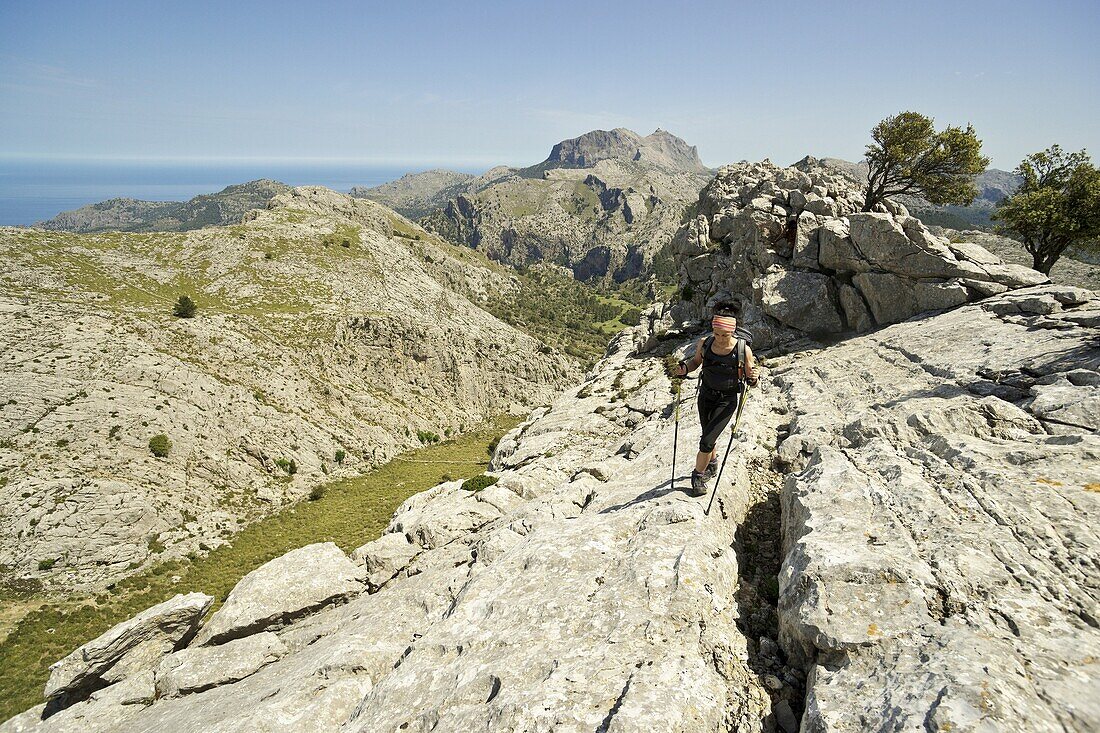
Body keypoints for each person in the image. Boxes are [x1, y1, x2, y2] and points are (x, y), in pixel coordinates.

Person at [672, 303, 758, 497]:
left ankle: (698, 475)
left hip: (727, 401)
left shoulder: (743, 350)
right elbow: (696, 362)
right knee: (707, 434)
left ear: (732, 332)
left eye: (724, 335)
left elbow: (750, 376)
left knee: (706, 441)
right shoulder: (706, 343)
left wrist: (753, 379)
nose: (719, 338)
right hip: (705, 396)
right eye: (717, 333)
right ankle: (712, 463)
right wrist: (685, 369)